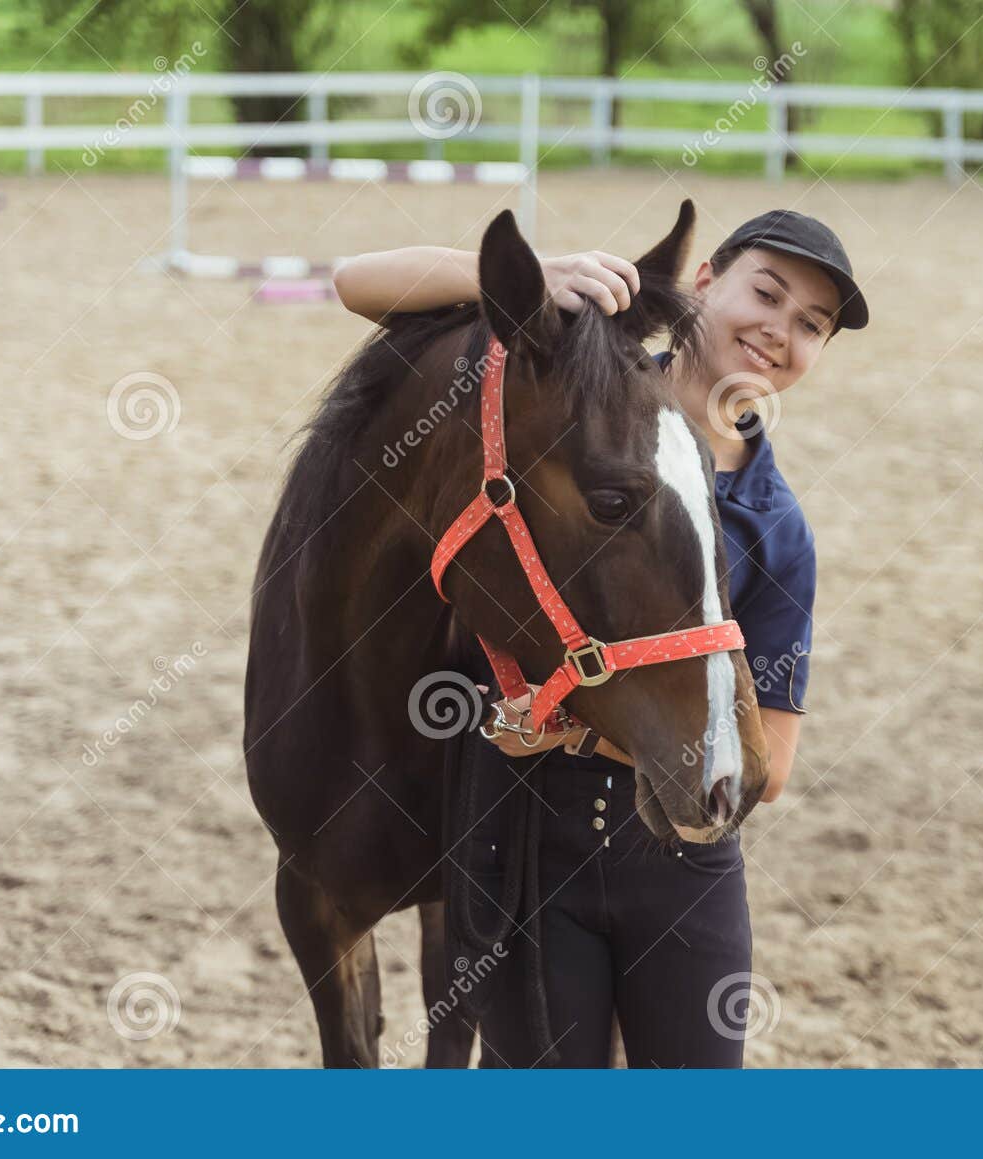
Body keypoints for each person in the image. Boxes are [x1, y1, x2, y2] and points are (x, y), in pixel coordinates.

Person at [332, 210, 868, 1066]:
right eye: (765, 293)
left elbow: (766, 763)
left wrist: (570, 715)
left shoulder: (777, 528)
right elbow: (357, 279)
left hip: (684, 858)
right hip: (529, 846)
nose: (779, 330)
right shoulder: (573, 391)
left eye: (811, 326)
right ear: (701, 284)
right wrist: (536, 273)